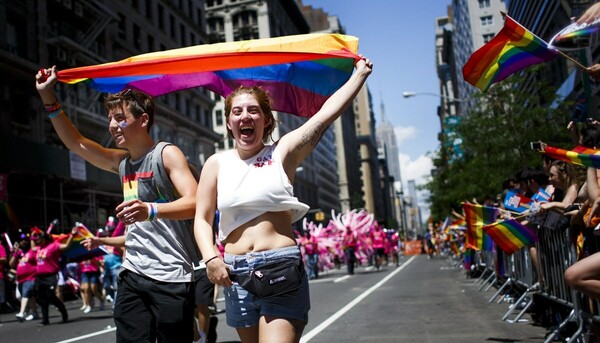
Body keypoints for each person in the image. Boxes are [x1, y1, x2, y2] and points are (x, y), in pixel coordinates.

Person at [193, 55, 372, 342]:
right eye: (237, 112)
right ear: (229, 122)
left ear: (266, 120)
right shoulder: (215, 163)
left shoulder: (282, 152)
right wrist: (211, 258)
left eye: (253, 111)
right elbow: (201, 218)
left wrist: (359, 76)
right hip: (234, 274)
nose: (245, 117)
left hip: (280, 268)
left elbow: (325, 115)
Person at [36, 66, 199, 342]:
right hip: (132, 274)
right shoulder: (122, 163)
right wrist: (47, 97)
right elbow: (77, 144)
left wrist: (150, 210)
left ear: (143, 119)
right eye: (110, 118)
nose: (112, 125)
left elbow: (195, 201)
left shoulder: (166, 154)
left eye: (120, 118)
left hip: (172, 275)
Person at [34, 227, 77, 326]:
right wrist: (34, 234)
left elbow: (66, 246)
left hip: (51, 276)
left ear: (44, 239)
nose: (37, 241)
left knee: (51, 296)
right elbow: (32, 246)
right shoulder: (39, 248)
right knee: (42, 298)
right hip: (40, 277)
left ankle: (63, 311)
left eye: (39, 239)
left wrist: (72, 235)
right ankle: (45, 320)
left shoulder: (54, 246)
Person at [9, 233, 40, 322]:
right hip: (20, 279)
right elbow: (11, 265)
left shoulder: (32, 251)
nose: (24, 242)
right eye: (22, 240)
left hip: (31, 277)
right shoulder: (17, 252)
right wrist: (15, 253)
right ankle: (34, 312)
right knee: (24, 296)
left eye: (26, 240)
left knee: (26, 293)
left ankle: (22, 312)